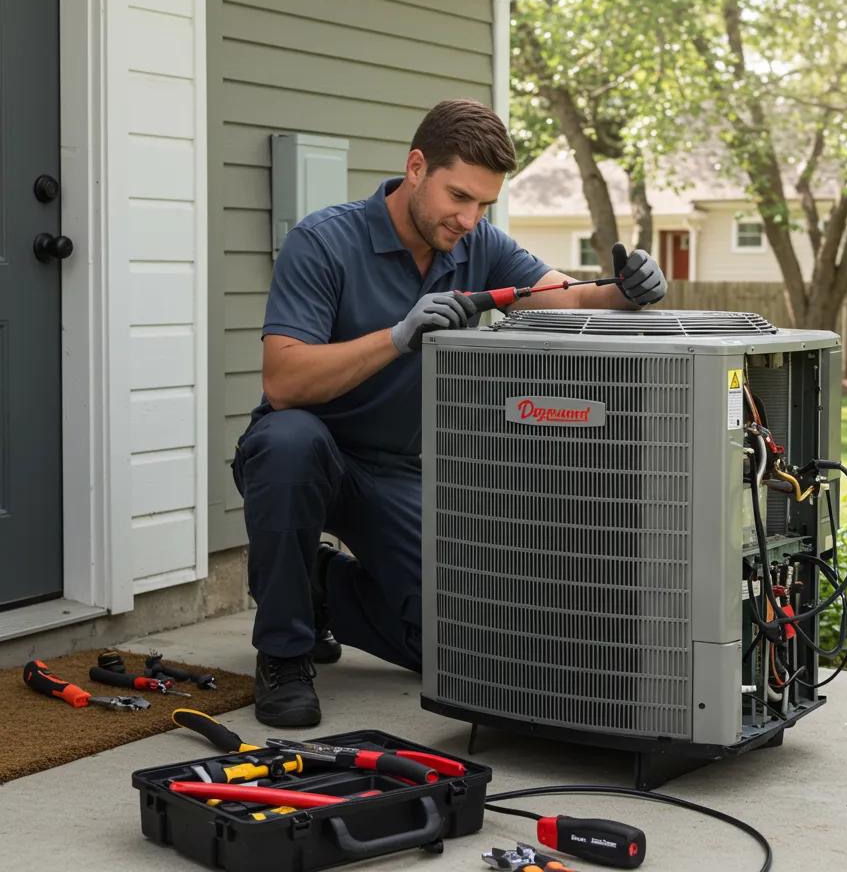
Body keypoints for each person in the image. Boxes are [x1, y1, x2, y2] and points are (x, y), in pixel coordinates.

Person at [232, 99, 667, 727]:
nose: (469, 218)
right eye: (458, 196)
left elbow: (560, 296)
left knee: (466, 648)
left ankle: (320, 588)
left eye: (484, 204)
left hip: (395, 473)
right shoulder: (324, 241)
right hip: (305, 455)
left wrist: (621, 293)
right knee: (289, 443)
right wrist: (396, 336)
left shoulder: (476, 243)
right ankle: (284, 650)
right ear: (416, 167)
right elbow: (284, 381)